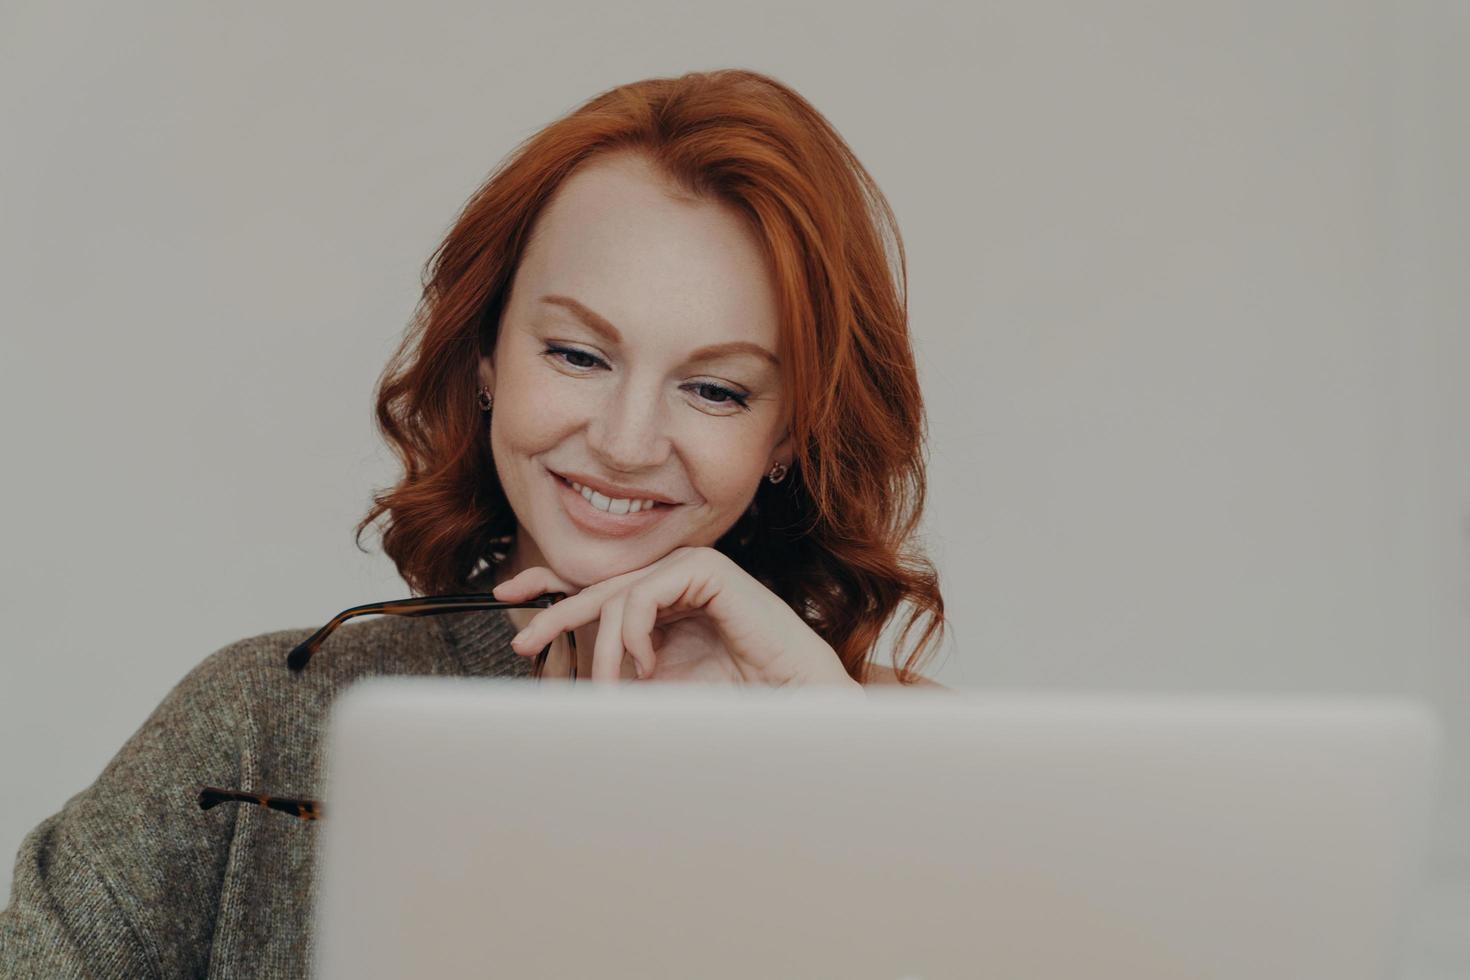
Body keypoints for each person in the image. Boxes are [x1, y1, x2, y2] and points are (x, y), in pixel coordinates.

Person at [0, 68, 947, 977]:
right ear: (487, 355)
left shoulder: (910, 767)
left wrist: (837, 773)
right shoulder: (263, 722)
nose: (624, 442)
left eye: (714, 388)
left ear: (788, 434)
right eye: (577, 353)